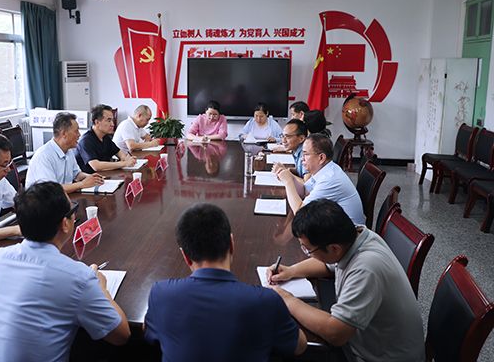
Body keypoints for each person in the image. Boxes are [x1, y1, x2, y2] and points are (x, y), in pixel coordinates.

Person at [0, 182, 130, 361]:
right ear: (65, 224)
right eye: (72, 211)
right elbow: (121, 335)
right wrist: (101, 288)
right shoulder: (77, 277)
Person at [144, 203, 307, 362]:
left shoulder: (160, 294)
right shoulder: (266, 301)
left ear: (185, 256)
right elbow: (299, 347)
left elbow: (149, 333)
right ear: (231, 244)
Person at [267, 199, 425, 362]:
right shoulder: (356, 236)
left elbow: (336, 333)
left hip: (378, 357)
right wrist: (291, 271)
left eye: (308, 249)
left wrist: (287, 299)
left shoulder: (366, 268)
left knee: (278, 351)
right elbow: (328, 263)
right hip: (366, 341)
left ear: (334, 248)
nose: (307, 253)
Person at [274, 133, 365, 225]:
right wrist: (289, 176)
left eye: (306, 154)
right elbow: (305, 191)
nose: (302, 159)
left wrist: (288, 181)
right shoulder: (325, 168)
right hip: (333, 223)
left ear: (321, 158)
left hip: (346, 231)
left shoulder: (330, 179)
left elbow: (300, 213)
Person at [25, 112, 105, 193]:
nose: (79, 135)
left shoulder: (69, 151)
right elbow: (51, 190)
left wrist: (91, 178)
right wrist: (82, 184)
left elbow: (76, 174)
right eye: (76, 131)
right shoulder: (43, 156)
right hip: (43, 199)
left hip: (62, 197)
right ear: (64, 133)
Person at [75, 104, 136, 172]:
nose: (112, 124)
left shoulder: (105, 137)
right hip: (90, 177)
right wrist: (124, 163)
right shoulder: (85, 141)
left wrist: (127, 159)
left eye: (112, 120)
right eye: (109, 120)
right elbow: (96, 166)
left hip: (105, 175)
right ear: (97, 122)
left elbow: (120, 154)